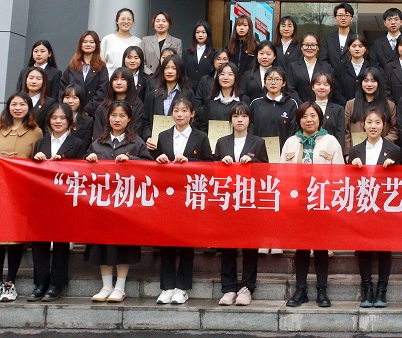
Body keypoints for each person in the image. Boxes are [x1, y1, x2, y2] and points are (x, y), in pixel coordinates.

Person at [0, 93, 44, 303]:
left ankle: (10, 283)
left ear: (29, 107)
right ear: (8, 107)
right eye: (14, 104)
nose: (18, 108)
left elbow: (38, 160)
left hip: (20, 188)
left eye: (22, 104)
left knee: (15, 236)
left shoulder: (36, 132)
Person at [86, 100, 152, 302]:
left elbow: (149, 165)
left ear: (129, 119)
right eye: (114, 115)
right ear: (108, 118)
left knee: (123, 244)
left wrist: (132, 161)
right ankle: (106, 286)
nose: (117, 119)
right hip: (102, 204)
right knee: (101, 244)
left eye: (122, 116)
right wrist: (89, 159)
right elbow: (84, 168)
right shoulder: (98, 142)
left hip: (126, 204)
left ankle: (120, 287)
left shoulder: (136, 142)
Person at [148, 96, 212, 305]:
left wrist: (189, 162)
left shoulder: (201, 137)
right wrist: (159, 159)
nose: (180, 114)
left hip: (190, 196)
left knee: (186, 242)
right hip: (167, 197)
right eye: (176, 110)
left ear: (192, 114)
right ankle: (167, 286)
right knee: (166, 241)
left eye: (184, 111)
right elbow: (155, 165)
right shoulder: (163, 136)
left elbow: (209, 166)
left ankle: (182, 287)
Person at [283, 102, 344, 308]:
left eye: (313, 116)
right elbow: (283, 173)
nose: (309, 120)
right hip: (297, 203)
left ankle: (322, 290)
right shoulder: (291, 142)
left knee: (320, 247)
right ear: (298, 120)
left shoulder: (331, 141)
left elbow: (339, 173)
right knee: (301, 247)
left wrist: (333, 200)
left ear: (320, 118)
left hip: (322, 202)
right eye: (304, 116)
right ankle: (300, 289)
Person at [349, 107, 402, 307]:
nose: (373, 126)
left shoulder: (394, 150)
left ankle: (382, 290)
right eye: (369, 122)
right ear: (363, 125)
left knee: (384, 249)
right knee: (364, 248)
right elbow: (349, 182)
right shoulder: (355, 150)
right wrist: (352, 167)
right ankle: (367, 289)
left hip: (385, 209)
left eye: (377, 122)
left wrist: (394, 168)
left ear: (384, 126)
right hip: (363, 207)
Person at [30, 102, 85, 302]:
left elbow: (82, 171)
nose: (58, 121)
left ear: (70, 121)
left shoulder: (77, 143)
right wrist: (37, 160)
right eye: (54, 118)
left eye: (62, 118)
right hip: (42, 198)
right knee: (39, 241)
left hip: (65, 198)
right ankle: (40, 282)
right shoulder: (40, 143)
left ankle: (56, 284)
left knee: (61, 242)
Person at [216, 104, 269, 306]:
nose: (240, 120)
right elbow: (212, 169)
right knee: (227, 245)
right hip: (228, 201)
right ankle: (229, 288)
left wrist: (254, 164)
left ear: (249, 120)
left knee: (249, 245)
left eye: (244, 116)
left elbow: (266, 170)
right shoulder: (222, 142)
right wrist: (222, 163)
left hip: (250, 201)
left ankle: (247, 287)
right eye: (236, 116)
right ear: (230, 120)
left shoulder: (258, 142)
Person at [343, 66, 397, 154]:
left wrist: (381, 143)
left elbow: (394, 129)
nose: (369, 84)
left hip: (382, 151)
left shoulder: (390, 105)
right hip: (356, 152)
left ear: (379, 83)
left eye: (373, 81)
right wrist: (348, 153)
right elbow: (346, 131)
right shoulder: (350, 104)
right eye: (366, 80)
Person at [59, 31, 108, 118]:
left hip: (91, 115)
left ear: (96, 45)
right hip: (70, 114)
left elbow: (102, 92)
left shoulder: (102, 68)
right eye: (85, 42)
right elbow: (62, 89)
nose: (88, 44)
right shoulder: (71, 67)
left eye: (91, 42)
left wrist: (86, 111)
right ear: (80, 45)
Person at [144, 55, 194, 139]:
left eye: (174, 68)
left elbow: (195, 120)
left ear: (180, 71)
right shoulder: (153, 95)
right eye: (166, 68)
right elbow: (145, 120)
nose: (169, 71)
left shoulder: (188, 94)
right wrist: (148, 137)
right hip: (156, 142)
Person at [249, 67, 297, 149]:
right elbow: (250, 129)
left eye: (277, 79)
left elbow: (293, 130)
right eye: (270, 79)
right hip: (258, 151)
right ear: (265, 83)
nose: (273, 83)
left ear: (284, 83)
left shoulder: (291, 104)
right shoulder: (256, 104)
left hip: (283, 151)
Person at [93, 67, 146, 141]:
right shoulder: (102, 107)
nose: (118, 82)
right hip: (104, 145)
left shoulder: (137, 107)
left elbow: (136, 132)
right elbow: (97, 134)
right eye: (115, 79)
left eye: (123, 79)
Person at [287, 33, 333, 103]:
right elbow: (290, 89)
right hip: (299, 107)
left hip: (321, 106)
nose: (309, 48)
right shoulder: (293, 67)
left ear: (318, 47)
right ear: (301, 47)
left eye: (313, 45)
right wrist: (302, 105)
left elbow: (331, 89)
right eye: (306, 45)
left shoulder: (327, 67)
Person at [333, 35, 375, 106]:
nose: (357, 49)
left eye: (360, 46)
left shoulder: (373, 68)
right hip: (345, 108)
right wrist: (348, 106)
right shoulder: (340, 69)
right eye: (354, 46)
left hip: (369, 108)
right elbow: (337, 91)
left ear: (365, 48)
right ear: (349, 48)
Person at [100, 8, 141, 75]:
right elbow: (100, 62)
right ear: (117, 21)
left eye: (129, 19)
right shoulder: (107, 39)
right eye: (123, 19)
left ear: (133, 22)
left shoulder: (138, 42)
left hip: (131, 80)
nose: (126, 21)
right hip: (110, 79)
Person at [311, 71, 346, 150]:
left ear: (330, 88)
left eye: (326, 84)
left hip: (330, 152)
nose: (322, 87)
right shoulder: (306, 109)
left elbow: (340, 135)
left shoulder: (338, 110)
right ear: (312, 87)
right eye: (318, 84)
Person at [142, 11, 182, 75]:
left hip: (168, 75)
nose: (160, 23)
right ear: (154, 24)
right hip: (149, 76)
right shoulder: (145, 40)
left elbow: (178, 63)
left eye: (164, 21)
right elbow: (141, 61)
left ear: (169, 24)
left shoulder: (176, 42)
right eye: (157, 21)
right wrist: (151, 74)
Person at [204, 62, 242, 130]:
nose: (225, 77)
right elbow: (203, 125)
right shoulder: (210, 100)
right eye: (222, 74)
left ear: (236, 77)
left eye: (230, 74)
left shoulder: (243, 100)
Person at [320, 2, 356, 71]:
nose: (343, 18)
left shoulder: (356, 39)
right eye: (340, 15)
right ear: (335, 18)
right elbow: (323, 60)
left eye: (347, 15)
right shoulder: (328, 39)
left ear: (351, 18)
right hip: (332, 76)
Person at [21, 66, 56, 134]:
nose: (34, 81)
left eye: (38, 79)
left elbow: (47, 128)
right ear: (26, 80)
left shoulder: (49, 103)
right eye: (31, 78)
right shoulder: (18, 99)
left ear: (43, 82)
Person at [183, 21, 215, 91]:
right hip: (188, 89)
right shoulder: (187, 52)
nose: (200, 35)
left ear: (208, 34)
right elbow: (183, 71)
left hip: (206, 90)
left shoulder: (213, 53)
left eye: (203, 32)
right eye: (197, 32)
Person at [60, 83, 93, 151]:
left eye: (74, 98)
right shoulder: (54, 118)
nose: (70, 101)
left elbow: (85, 146)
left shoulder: (88, 121)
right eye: (67, 97)